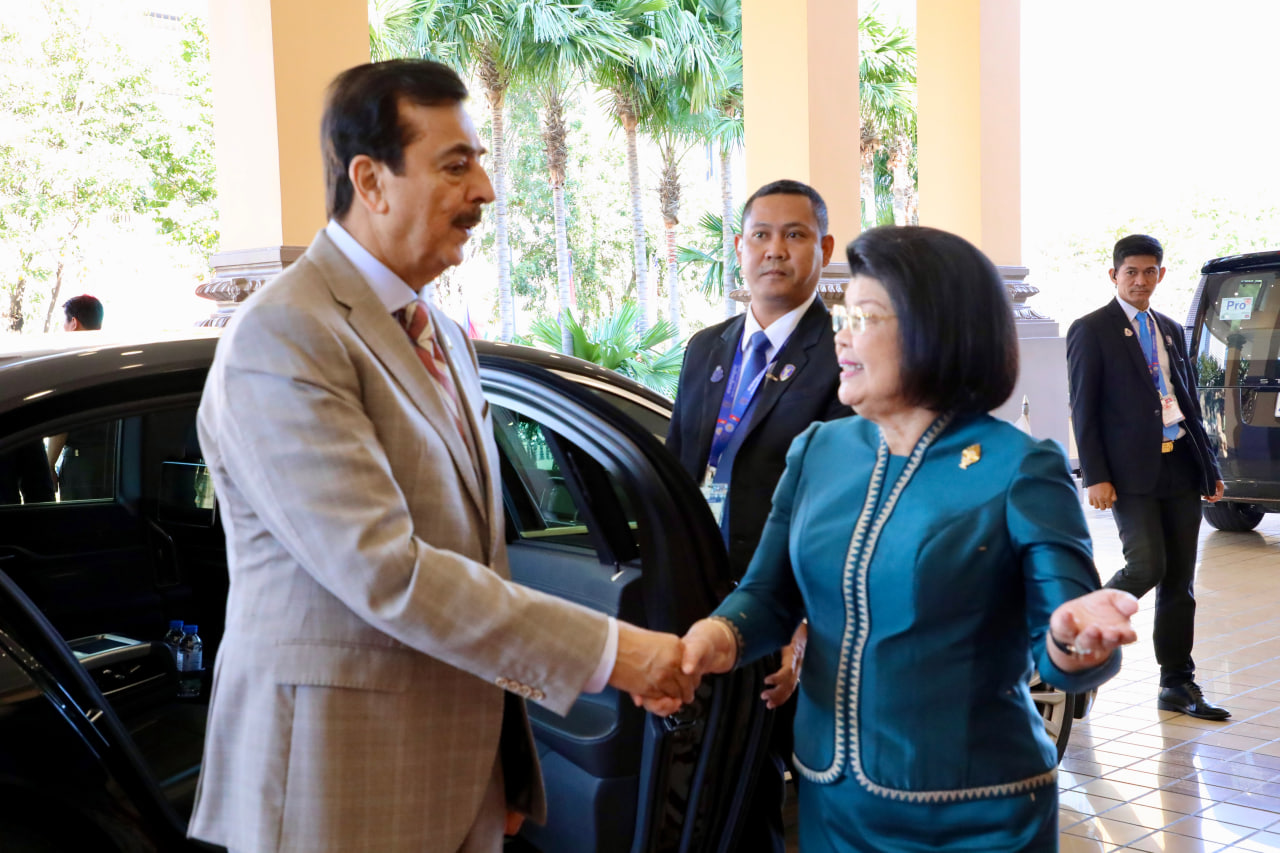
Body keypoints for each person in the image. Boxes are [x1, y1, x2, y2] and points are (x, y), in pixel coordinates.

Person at [188, 60, 693, 853]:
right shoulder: (286, 335)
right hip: (336, 781)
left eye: (479, 163)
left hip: (458, 780)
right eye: (456, 166)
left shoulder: (443, 336)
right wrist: (614, 651)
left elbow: (478, 560)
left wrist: (507, 766)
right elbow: (386, 570)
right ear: (371, 180)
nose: (484, 190)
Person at [668, 226, 1137, 852]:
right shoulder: (818, 450)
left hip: (976, 814)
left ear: (934, 330)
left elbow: (1067, 645)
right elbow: (769, 596)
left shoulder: (1021, 467)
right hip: (831, 800)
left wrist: (1075, 642)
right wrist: (714, 638)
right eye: (844, 316)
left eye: (863, 318)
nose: (840, 336)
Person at [665, 178, 849, 852]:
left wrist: (803, 628)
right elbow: (679, 470)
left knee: (761, 795)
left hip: (781, 617)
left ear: (823, 249)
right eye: (761, 235)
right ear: (739, 248)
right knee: (700, 795)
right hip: (700, 604)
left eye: (795, 235)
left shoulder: (843, 357)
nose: (775, 250)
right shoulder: (706, 348)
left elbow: (842, 510)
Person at [1067, 233, 1229, 721]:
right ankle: (1079, 628)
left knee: (1180, 580)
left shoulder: (1170, 329)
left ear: (1161, 274)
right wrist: (1095, 475)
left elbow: (1188, 403)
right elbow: (1083, 408)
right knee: (1147, 566)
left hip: (1179, 465)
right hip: (1129, 474)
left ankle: (1177, 682)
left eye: (1149, 271)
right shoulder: (1091, 329)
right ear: (1113, 275)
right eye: (1131, 272)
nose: (1140, 280)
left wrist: (1209, 467)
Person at [47, 294, 111, 499]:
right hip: (112, 461)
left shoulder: (73, 363)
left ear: (74, 323)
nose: (63, 330)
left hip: (80, 464)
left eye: (64, 324)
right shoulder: (112, 360)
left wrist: (49, 465)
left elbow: (61, 421)